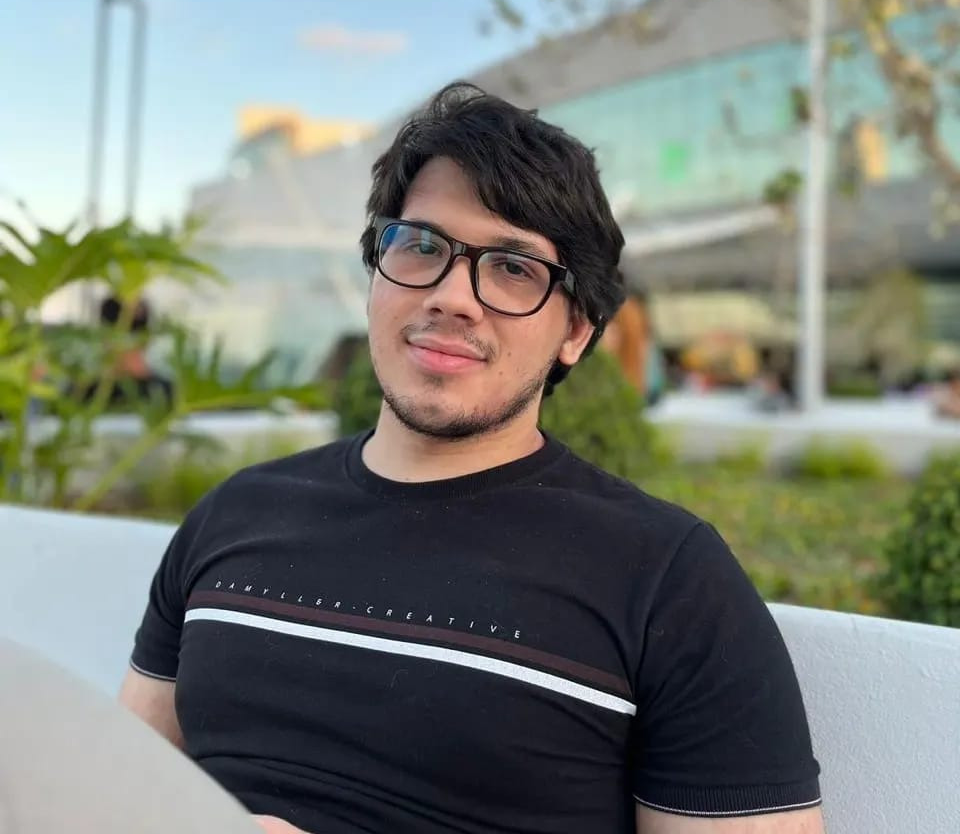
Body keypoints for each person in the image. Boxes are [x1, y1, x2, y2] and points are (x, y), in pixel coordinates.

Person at [119, 84, 824, 834]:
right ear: (376, 274)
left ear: (576, 332)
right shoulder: (235, 513)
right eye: (421, 246)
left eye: (513, 267)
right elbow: (117, 784)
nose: (454, 297)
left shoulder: (668, 581)